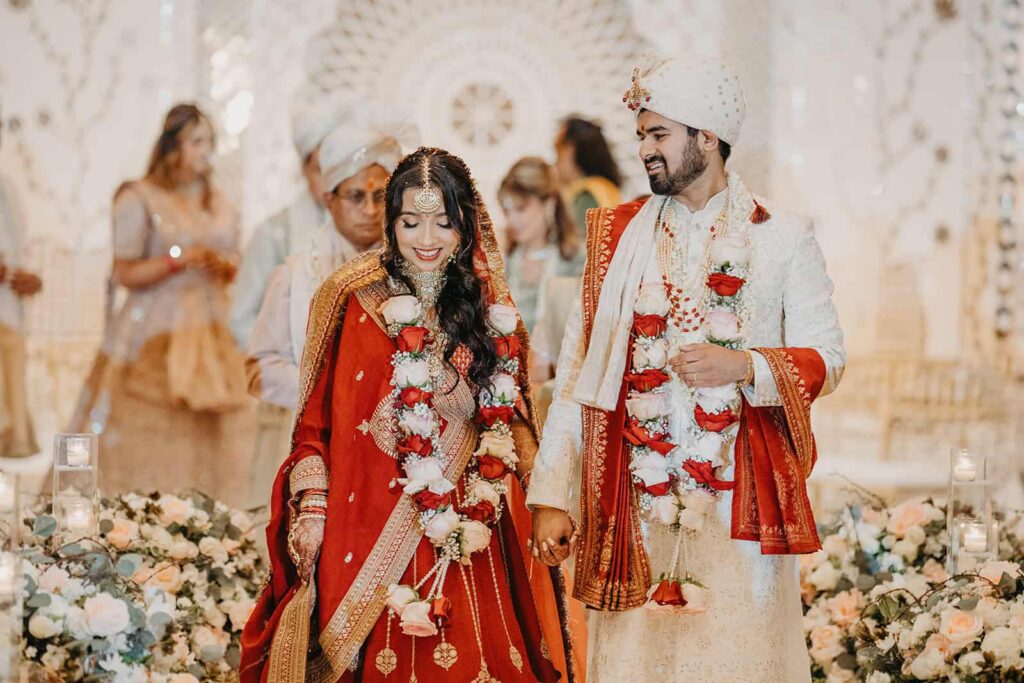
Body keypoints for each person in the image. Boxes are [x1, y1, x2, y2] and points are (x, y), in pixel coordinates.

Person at [528, 52, 846, 681]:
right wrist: (553, 495)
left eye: (659, 134)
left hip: (737, 507)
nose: (645, 149)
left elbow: (828, 358)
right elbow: (575, 379)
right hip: (633, 498)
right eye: (641, 134)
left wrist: (745, 365)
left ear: (707, 136)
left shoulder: (782, 238)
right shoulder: (616, 239)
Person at [240, 148, 570, 683]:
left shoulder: (488, 306)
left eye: (443, 222)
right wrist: (314, 509)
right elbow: (315, 423)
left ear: (467, 223)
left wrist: (548, 493)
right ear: (390, 224)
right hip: (366, 522)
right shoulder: (351, 299)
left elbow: (511, 418)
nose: (427, 239)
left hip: (470, 524)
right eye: (410, 222)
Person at [70, 103, 253, 507]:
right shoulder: (141, 196)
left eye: (211, 142)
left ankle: (206, 516)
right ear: (174, 146)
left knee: (212, 422)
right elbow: (124, 272)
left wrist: (219, 264)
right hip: (152, 329)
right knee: (149, 422)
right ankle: (144, 513)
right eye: (197, 142)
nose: (207, 152)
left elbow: (236, 260)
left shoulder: (216, 199)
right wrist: (178, 260)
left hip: (214, 326)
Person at [244, 108, 418, 509]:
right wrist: (335, 393)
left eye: (380, 196)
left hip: (398, 455)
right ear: (329, 199)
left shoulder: (417, 274)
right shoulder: (295, 276)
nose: (371, 210)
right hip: (314, 449)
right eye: (356, 196)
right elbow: (258, 371)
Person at [229, 95, 344, 348]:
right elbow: (241, 318)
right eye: (319, 169)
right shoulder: (274, 233)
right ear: (303, 169)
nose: (329, 180)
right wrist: (285, 365)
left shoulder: (363, 225)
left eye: (336, 168)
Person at [499, 157, 584, 375]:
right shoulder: (504, 260)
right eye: (507, 212)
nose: (512, 220)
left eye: (520, 209)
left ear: (548, 204)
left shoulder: (574, 261)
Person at [0, 137, 42, 457]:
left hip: (9, 309)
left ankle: (16, 437)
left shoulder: (8, 189)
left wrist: (25, 277)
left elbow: (18, 249)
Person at [554, 116, 623, 231]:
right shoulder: (605, 188)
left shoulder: (585, 196)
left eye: (558, 149)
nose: (556, 162)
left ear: (569, 150)